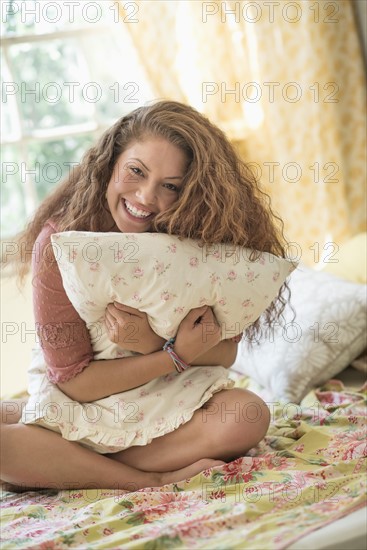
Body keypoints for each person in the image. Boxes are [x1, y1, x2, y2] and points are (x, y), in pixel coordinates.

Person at [1, 100, 288, 492]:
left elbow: (224, 352)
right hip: (86, 393)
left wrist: (154, 345)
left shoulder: (197, 240)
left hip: (168, 394)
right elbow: (74, 383)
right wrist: (174, 355)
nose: (147, 197)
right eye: (136, 171)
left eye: (171, 186)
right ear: (110, 162)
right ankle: (146, 477)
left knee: (248, 414)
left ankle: (62, 457)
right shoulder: (62, 243)